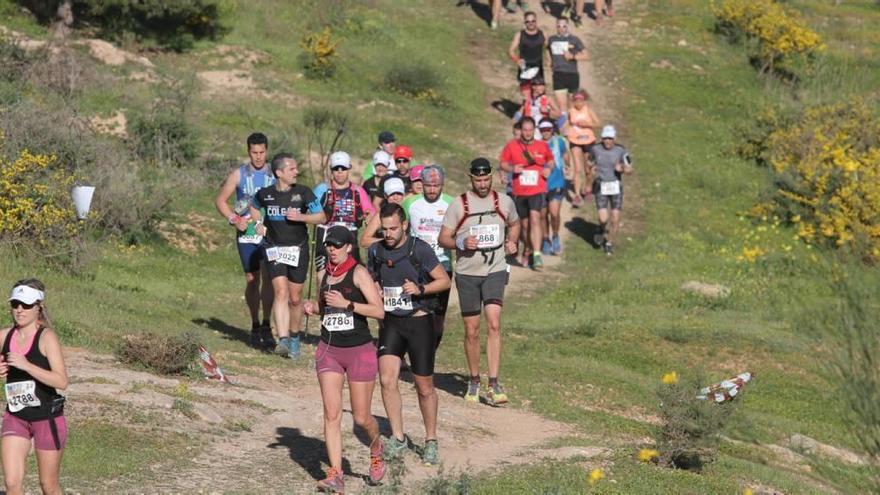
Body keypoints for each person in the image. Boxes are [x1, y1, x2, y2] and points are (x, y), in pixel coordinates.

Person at [302, 226, 386, 494]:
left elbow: (379, 311)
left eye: (337, 245)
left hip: (359, 351)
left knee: (361, 417)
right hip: (329, 351)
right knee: (331, 414)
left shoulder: (359, 273)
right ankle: (336, 474)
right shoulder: (323, 273)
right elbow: (323, 308)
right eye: (328, 245)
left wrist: (347, 304)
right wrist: (313, 308)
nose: (332, 249)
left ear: (349, 247)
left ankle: (376, 449)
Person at [368, 203, 451, 466]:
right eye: (385, 229)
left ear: (404, 225)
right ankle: (398, 436)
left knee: (424, 387)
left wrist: (420, 288)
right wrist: (376, 291)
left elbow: (444, 281)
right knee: (386, 379)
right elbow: (372, 279)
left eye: (393, 228)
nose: (389, 233)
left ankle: (431, 440)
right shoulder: (376, 250)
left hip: (419, 323)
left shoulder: (419, 249)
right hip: (392, 322)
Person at [438, 158, 520, 406]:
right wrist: (461, 243)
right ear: (471, 178)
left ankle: (494, 383)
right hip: (467, 274)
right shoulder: (459, 205)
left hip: (495, 269)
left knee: (494, 323)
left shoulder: (504, 202)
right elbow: (443, 238)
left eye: (486, 179)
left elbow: (514, 224)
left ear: (491, 177)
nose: (483, 184)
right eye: (478, 180)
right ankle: (474, 379)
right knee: (472, 331)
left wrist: (512, 241)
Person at [250, 153, 327, 359]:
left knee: (295, 299)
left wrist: (301, 216)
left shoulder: (303, 193)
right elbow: (254, 206)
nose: (297, 172)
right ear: (279, 173)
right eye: (292, 169)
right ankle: (282, 340)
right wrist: (258, 223)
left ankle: (294, 337)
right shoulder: (265, 194)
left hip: (298, 250)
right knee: (281, 293)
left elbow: (321, 216)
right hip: (274, 248)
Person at [1, 279, 69, 495]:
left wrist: (27, 365)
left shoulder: (47, 337)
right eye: (16, 304)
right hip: (16, 416)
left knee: (48, 485)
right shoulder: (4, 336)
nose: (20, 310)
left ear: (39, 306)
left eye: (27, 305)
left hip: (46, 418)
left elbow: (62, 381)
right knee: (12, 483)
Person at [214, 132, 275, 349]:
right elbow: (221, 200)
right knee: (252, 278)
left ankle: (267, 324)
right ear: (248, 151)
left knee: (269, 278)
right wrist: (233, 218)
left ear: (266, 151)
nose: (258, 157)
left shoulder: (275, 174)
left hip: (269, 233)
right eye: (254, 152)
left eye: (261, 152)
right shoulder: (239, 174)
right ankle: (255, 323)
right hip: (247, 234)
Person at [403, 165, 454, 342]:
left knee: (438, 318)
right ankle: (415, 351)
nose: (432, 190)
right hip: (416, 266)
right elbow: (400, 228)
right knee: (414, 313)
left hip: (443, 265)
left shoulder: (451, 203)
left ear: (442, 185)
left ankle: (430, 353)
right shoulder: (410, 202)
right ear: (421, 184)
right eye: (428, 185)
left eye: (436, 185)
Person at [499, 116, 553, 270]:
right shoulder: (511, 146)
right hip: (519, 191)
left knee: (535, 218)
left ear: (534, 130)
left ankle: (536, 255)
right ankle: (527, 249)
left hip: (537, 189)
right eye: (525, 130)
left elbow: (550, 160)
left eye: (530, 130)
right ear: (520, 130)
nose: (528, 133)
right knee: (524, 226)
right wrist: (512, 169)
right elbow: (502, 163)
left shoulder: (542, 145)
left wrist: (549, 168)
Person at [313, 151, 375, 272]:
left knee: (350, 276)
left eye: (343, 168)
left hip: (349, 236)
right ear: (331, 170)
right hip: (326, 236)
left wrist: (366, 217)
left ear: (349, 169)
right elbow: (310, 213)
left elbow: (370, 213)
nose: (340, 171)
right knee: (323, 275)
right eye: (336, 168)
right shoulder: (322, 189)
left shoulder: (358, 191)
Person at [589, 125, 633, 256]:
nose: (607, 141)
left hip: (615, 187)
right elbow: (589, 163)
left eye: (610, 138)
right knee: (603, 218)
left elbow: (630, 168)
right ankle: (601, 228)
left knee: (615, 218)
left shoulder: (621, 151)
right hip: (600, 186)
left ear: (614, 138)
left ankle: (609, 243)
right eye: (605, 138)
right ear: (602, 138)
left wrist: (623, 169)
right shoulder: (595, 149)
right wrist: (591, 170)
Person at [563, 88, 600, 208]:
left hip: (589, 141)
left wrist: (587, 124)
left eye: (581, 101)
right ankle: (577, 195)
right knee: (578, 169)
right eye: (576, 101)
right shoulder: (571, 111)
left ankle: (588, 189)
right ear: (573, 101)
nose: (578, 103)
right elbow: (566, 124)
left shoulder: (588, 110)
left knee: (588, 169)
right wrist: (565, 131)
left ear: (584, 101)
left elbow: (599, 124)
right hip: (575, 141)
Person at [546, 18, 587, 114]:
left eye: (564, 26)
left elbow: (586, 55)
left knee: (572, 105)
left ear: (568, 27)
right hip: (558, 74)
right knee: (562, 107)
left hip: (572, 74)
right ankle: (564, 126)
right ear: (556, 27)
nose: (561, 29)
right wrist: (550, 61)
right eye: (559, 26)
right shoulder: (552, 39)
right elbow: (547, 49)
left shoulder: (574, 39)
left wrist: (573, 56)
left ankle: (573, 124)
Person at [539, 118, 567, 256]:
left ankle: (555, 235)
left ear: (552, 130)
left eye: (548, 129)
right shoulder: (534, 145)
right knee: (543, 215)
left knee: (554, 214)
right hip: (540, 185)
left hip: (557, 182)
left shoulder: (559, 142)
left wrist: (568, 166)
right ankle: (545, 239)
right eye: (543, 129)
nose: (546, 132)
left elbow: (565, 155)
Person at [507, 12, 546, 103]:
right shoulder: (520, 35)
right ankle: (526, 115)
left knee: (539, 95)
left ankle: (539, 115)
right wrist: (517, 60)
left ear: (536, 21)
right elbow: (510, 51)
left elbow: (548, 48)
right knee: (526, 95)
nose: (531, 23)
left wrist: (550, 60)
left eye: (533, 21)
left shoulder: (542, 34)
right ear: (524, 22)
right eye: (528, 21)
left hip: (538, 68)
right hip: (525, 68)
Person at [359, 177, 407, 249]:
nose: (396, 197)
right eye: (392, 194)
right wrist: (388, 241)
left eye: (399, 193)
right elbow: (364, 241)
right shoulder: (380, 215)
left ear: (404, 195)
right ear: (385, 195)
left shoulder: (411, 210)